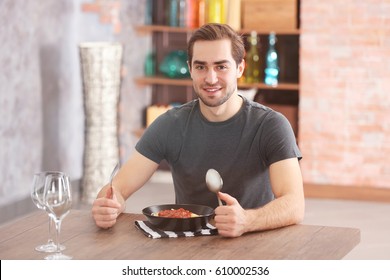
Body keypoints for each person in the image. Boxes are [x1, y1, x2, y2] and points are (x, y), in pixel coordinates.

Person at [92, 23, 304, 237]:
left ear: (240, 68)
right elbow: (117, 189)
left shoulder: (271, 125)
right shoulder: (170, 124)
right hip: (185, 244)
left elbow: (294, 204)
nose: (210, 79)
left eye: (221, 67)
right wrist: (108, 206)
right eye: (201, 67)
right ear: (191, 69)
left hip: (254, 241)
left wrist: (247, 220)